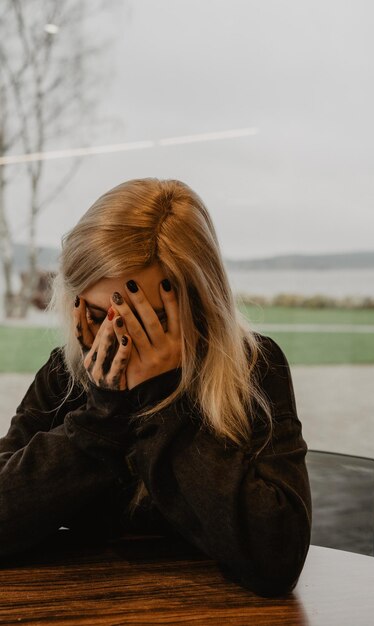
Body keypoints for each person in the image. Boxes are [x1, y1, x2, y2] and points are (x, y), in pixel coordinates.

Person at [0, 178, 311, 596]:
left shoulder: (254, 369)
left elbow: (276, 559)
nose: (114, 340)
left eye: (145, 322)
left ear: (198, 308)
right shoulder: (66, 373)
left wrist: (165, 405)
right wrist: (101, 418)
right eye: (96, 313)